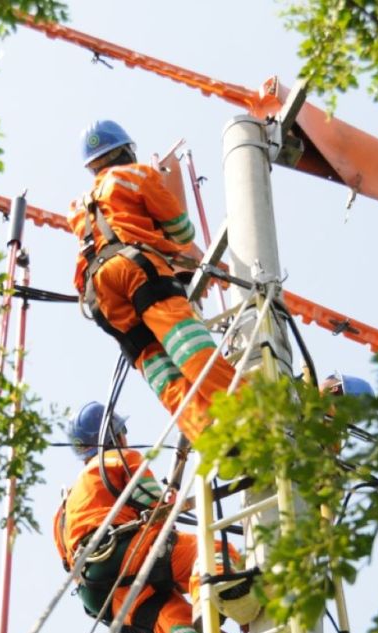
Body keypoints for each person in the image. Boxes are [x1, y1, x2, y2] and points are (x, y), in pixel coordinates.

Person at [52, 401, 252, 633]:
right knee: (213, 552)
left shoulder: (62, 511)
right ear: (115, 434)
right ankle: (211, 600)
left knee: (168, 618)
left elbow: (67, 559)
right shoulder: (116, 460)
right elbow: (154, 503)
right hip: (124, 551)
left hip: (100, 593)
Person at [69, 120, 237, 444]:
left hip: (99, 294)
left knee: (159, 368)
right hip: (137, 271)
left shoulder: (78, 206)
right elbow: (183, 232)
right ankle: (242, 408)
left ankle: (210, 436)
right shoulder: (137, 176)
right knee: (188, 345)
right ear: (126, 150)